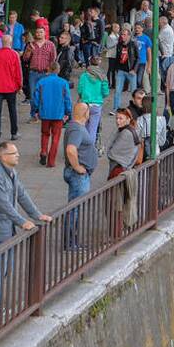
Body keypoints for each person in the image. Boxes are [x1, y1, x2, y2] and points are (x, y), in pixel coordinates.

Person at [0, 142, 52, 309]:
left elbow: (22, 195)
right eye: (14, 153)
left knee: (4, 268)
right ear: (3, 157)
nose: (18, 155)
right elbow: (4, 204)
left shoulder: (12, 173)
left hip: (7, 227)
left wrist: (37, 214)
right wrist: (22, 222)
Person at [62, 103, 97, 248]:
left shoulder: (75, 127)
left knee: (74, 208)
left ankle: (72, 241)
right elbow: (71, 150)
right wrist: (77, 167)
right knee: (74, 209)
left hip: (78, 174)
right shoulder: (76, 128)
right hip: (78, 176)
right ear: (86, 113)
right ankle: (70, 243)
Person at [33, 61, 72, 168]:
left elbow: (36, 98)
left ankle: (43, 151)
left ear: (48, 69)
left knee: (45, 134)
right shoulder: (63, 83)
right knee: (56, 137)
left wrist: (35, 111)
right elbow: (67, 99)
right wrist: (68, 112)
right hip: (58, 114)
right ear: (58, 70)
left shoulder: (41, 82)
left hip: (45, 113)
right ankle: (51, 161)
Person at [0, 34, 22, 141]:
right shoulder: (14, 55)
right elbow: (18, 73)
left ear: (2, 42)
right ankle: (14, 132)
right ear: (11, 43)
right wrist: (19, 86)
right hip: (11, 87)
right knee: (13, 110)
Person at [24, 27, 57, 120]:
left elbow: (53, 59)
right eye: (37, 32)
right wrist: (29, 51)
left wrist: (51, 72)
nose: (39, 34)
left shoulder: (50, 45)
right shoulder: (31, 45)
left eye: (41, 32)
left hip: (45, 73)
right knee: (33, 95)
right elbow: (25, 59)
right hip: (33, 73)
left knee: (44, 95)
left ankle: (43, 114)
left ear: (44, 33)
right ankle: (33, 115)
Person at [77, 56, 109, 143]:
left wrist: (82, 95)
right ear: (99, 63)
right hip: (96, 104)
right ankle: (90, 148)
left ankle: (82, 145)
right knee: (93, 129)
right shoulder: (102, 76)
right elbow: (106, 92)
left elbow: (79, 89)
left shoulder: (84, 75)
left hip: (85, 104)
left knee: (83, 126)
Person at [110, 26, 139, 114]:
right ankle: (116, 108)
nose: (123, 36)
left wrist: (134, 69)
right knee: (118, 90)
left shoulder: (133, 44)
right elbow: (117, 57)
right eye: (122, 34)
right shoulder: (119, 44)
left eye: (125, 35)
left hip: (131, 71)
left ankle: (135, 108)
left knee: (134, 91)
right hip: (121, 71)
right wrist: (115, 69)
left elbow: (138, 58)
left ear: (129, 36)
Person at [107, 109, 141, 179]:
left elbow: (111, 153)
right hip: (125, 167)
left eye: (121, 119)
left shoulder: (125, 133)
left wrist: (108, 152)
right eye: (116, 118)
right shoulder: (126, 129)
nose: (117, 121)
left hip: (119, 168)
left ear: (128, 119)